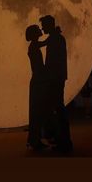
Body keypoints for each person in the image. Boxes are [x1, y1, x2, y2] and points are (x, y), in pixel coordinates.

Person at [39, 15, 73, 154]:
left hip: (55, 79)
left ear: (49, 25)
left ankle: (62, 141)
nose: (42, 28)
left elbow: (53, 61)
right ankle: (60, 139)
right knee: (56, 107)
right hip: (58, 78)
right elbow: (45, 43)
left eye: (43, 26)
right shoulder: (56, 38)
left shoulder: (55, 39)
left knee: (57, 108)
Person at [25, 24, 49, 151]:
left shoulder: (33, 46)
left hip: (37, 81)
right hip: (38, 81)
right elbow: (45, 42)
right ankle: (35, 140)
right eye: (38, 30)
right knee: (37, 112)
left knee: (36, 112)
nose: (41, 30)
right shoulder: (34, 46)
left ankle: (33, 140)